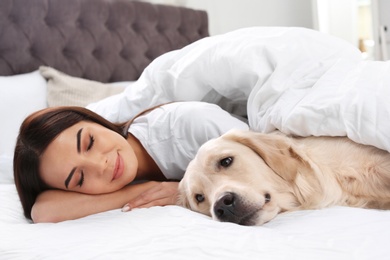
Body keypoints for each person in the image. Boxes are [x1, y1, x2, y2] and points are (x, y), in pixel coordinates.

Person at [13, 101, 249, 223]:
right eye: (80, 178)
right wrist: (146, 191)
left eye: (90, 142)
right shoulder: (126, 180)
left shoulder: (188, 126)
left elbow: (264, 157)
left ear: (94, 119)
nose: (100, 165)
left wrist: (183, 188)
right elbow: (43, 211)